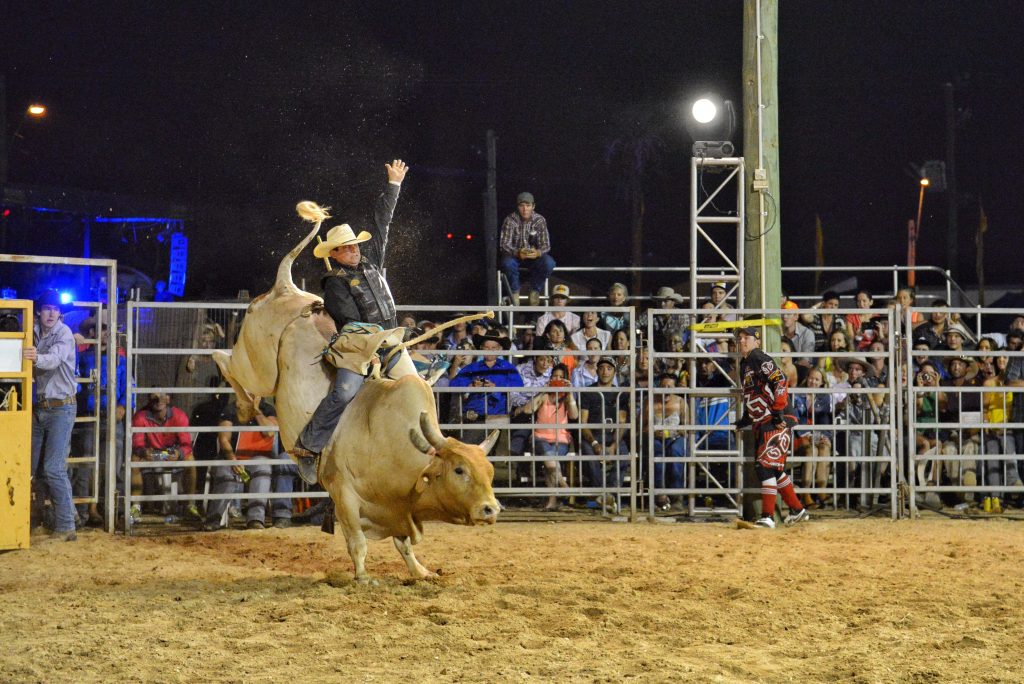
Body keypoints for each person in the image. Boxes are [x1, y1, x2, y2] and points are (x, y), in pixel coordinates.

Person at [288, 159, 410, 484]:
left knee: (417, 385)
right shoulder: (334, 282)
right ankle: (309, 446)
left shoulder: (372, 261)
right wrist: (370, 347)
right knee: (344, 393)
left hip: (389, 340)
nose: (354, 250)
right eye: (347, 248)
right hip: (357, 344)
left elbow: (382, 222)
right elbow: (350, 320)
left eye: (355, 245)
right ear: (336, 253)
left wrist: (393, 186)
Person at [734, 323, 808, 528]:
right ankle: (797, 509)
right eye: (739, 338)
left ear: (756, 341)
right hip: (765, 420)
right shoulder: (745, 364)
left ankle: (767, 516)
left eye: (746, 337)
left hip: (776, 419)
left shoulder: (758, 357)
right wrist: (747, 418)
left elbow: (780, 380)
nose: (741, 341)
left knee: (765, 467)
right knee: (775, 468)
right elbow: (754, 394)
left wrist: (778, 410)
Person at [24, 289, 79, 541]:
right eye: (47, 308)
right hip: (42, 407)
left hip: (61, 408)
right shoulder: (33, 329)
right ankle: (61, 515)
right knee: (33, 466)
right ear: (39, 311)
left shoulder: (64, 333)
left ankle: (67, 525)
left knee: (53, 468)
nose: (51, 313)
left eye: (55, 309)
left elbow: (53, 360)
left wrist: (33, 357)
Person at [203, 398, 281, 531]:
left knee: (263, 467)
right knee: (225, 472)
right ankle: (214, 518)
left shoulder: (268, 409)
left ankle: (255, 519)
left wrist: (256, 411)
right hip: (232, 456)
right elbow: (223, 438)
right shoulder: (230, 409)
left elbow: (269, 431)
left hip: (257, 457)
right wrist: (233, 459)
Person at [130, 393, 200, 522]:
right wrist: (143, 451)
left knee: (190, 460)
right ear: (149, 399)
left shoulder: (178, 415)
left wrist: (179, 453)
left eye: (162, 396)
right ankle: (135, 508)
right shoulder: (140, 416)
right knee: (134, 461)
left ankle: (190, 505)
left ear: (168, 399)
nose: (158, 400)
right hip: (154, 454)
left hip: (171, 453)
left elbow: (186, 444)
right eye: (154, 397)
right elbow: (137, 444)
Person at [516, 363, 577, 510]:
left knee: (550, 467)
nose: (557, 379)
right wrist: (544, 390)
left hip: (561, 439)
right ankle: (563, 484)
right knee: (551, 463)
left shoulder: (567, 398)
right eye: (555, 376)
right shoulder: (544, 395)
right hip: (539, 438)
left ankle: (552, 502)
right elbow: (528, 410)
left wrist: (569, 393)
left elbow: (574, 415)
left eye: (561, 377)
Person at [500, 191, 554, 307]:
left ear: (533, 206)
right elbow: (504, 244)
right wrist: (517, 252)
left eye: (528, 206)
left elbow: (546, 245)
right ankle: (514, 292)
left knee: (549, 262)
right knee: (507, 262)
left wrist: (538, 253)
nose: (525, 209)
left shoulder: (540, 220)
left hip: (534, 257)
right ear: (518, 206)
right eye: (522, 206)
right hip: (516, 257)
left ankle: (535, 290)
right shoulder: (510, 220)